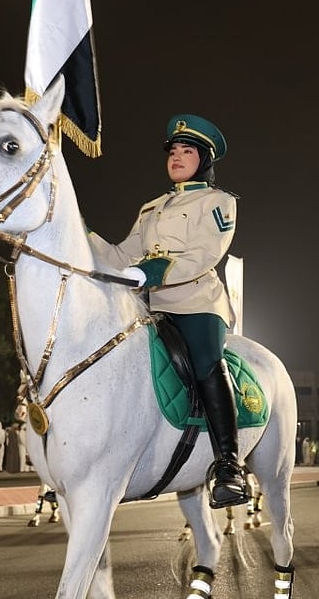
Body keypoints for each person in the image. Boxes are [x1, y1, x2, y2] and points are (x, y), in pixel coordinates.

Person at [87, 113, 249, 508]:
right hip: (151, 308)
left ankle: (229, 465)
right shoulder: (151, 208)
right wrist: (80, 235)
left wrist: (151, 272)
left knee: (207, 364)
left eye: (186, 151)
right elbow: (122, 256)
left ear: (204, 159)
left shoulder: (218, 202)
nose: (176, 157)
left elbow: (204, 255)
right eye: (172, 151)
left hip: (196, 304)